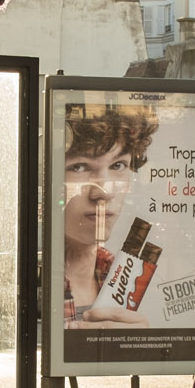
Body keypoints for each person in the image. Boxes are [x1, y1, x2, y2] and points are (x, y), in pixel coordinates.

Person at [62, 103, 156, 329]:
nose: (104, 192)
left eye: (118, 165)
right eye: (79, 167)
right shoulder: (32, 280)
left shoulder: (121, 273)